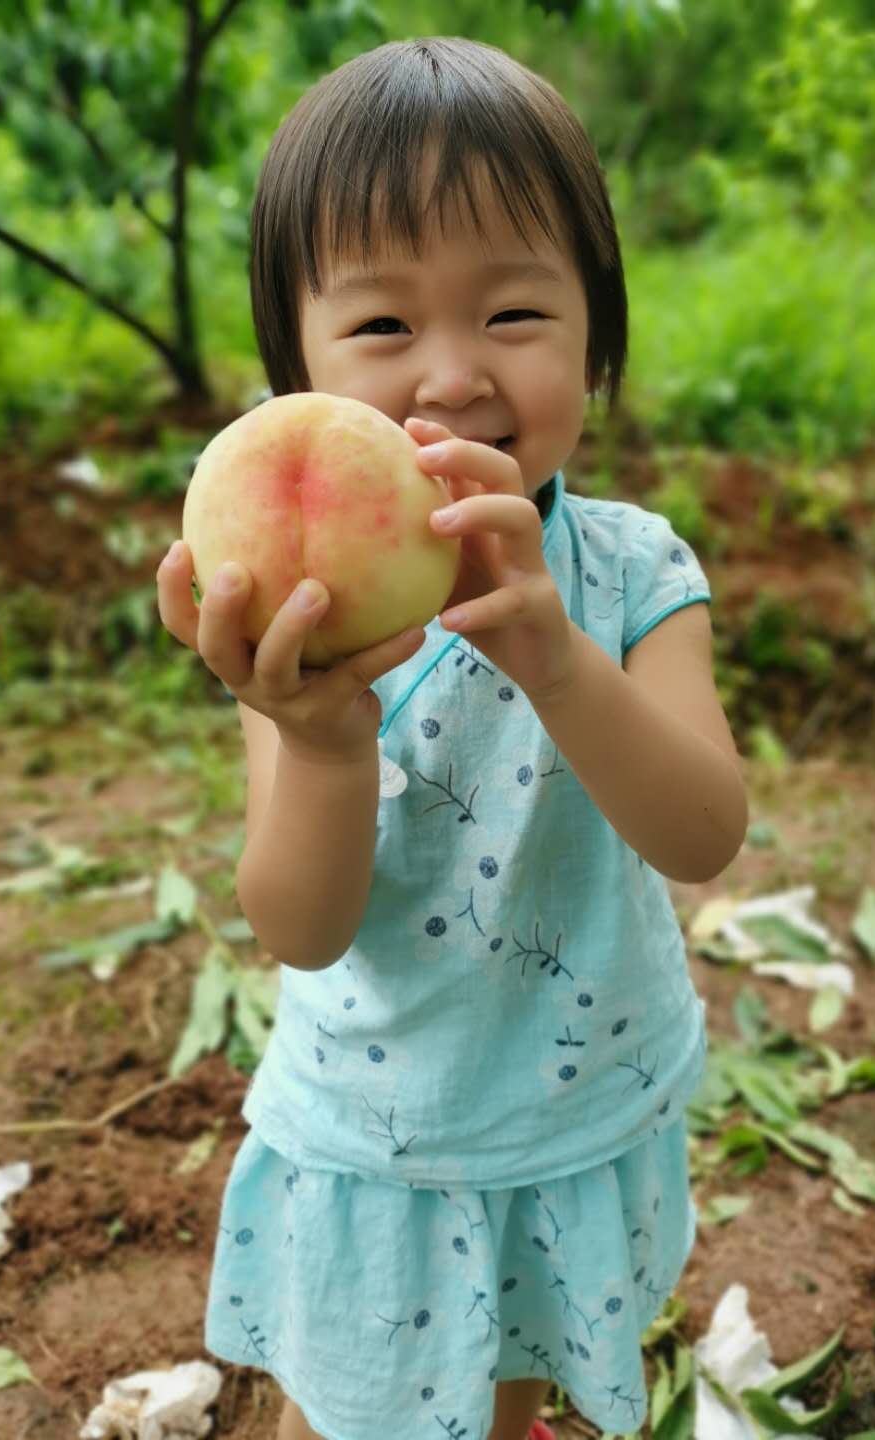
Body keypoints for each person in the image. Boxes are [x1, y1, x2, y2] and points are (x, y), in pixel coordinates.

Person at [156, 35, 747, 1440]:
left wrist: (558, 660)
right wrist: (319, 740)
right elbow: (299, 927)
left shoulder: (634, 574)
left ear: (595, 344)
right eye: (379, 329)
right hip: (386, 1136)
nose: (449, 377)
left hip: (574, 1101)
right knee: (350, 1410)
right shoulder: (311, 617)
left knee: (515, 1379)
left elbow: (703, 832)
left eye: (514, 315)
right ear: (292, 371)